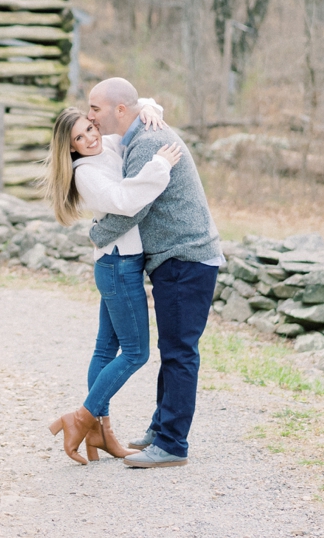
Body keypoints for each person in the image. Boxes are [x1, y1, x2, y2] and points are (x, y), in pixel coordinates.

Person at [85, 77, 223, 469]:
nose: (90, 115)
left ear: (120, 111)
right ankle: (161, 429)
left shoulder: (145, 143)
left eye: (95, 108)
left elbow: (135, 206)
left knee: (179, 353)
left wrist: (95, 234)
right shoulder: (139, 132)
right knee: (172, 351)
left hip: (186, 257)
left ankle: (172, 444)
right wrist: (150, 103)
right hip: (177, 258)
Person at [42, 102, 182, 464]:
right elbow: (124, 201)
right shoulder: (86, 172)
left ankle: (100, 433)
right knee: (136, 353)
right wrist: (161, 165)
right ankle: (81, 419)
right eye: (80, 137)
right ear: (70, 147)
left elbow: (129, 112)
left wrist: (149, 107)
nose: (90, 137)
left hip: (118, 261)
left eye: (90, 127)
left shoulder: (107, 145)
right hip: (118, 264)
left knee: (105, 350)